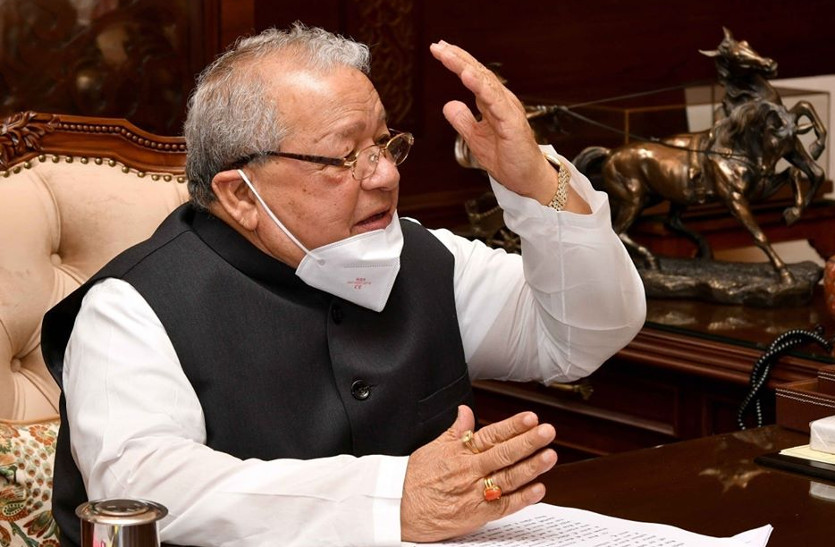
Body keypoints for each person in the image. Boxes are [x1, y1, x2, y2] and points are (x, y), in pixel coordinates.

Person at [42, 23, 646, 546]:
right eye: (343, 157)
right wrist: (392, 497)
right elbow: (144, 491)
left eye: (383, 143)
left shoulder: (424, 258)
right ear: (240, 195)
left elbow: (581, 336)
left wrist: (537, 184)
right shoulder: (131, 308)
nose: (384, 176)